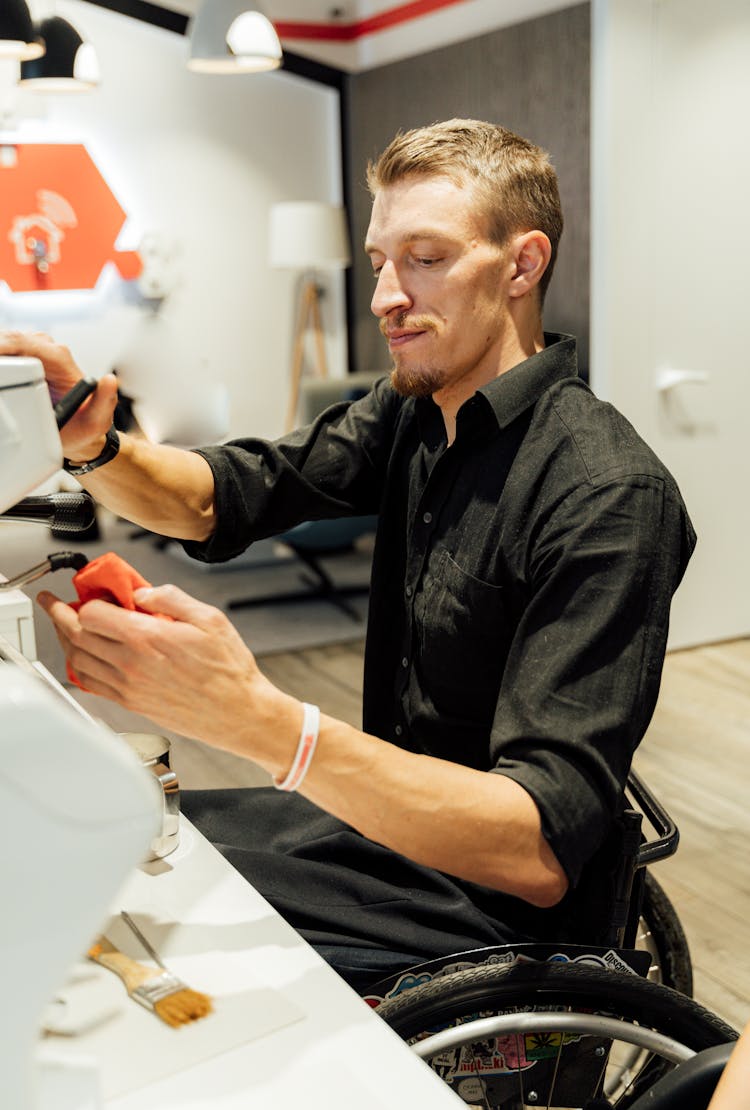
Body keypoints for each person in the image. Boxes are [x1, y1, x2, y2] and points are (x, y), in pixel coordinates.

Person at [0, 119, 695, 992]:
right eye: (379, 262)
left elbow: (536, 847)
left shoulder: (606, 496)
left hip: (484, 902)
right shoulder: (416, 408)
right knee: (118, 838)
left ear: (522, 266)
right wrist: (95, 443)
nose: (385, 295)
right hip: (382, 826)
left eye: (427, 257)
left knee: (129, 931)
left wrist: (254, 718)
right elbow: (227, 493)